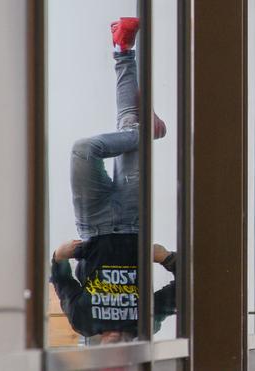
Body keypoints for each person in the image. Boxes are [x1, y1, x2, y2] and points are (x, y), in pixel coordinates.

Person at [50, 17, 172, 343]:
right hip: (133, 219)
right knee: (129, 121)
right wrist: (165, 258)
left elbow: (60, 279)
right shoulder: (144, 324)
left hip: (92, 222)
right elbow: (189, 285)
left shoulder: (83, 322)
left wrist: (59, 256)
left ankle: (142, 133)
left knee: (84, 149)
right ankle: (122, 50)